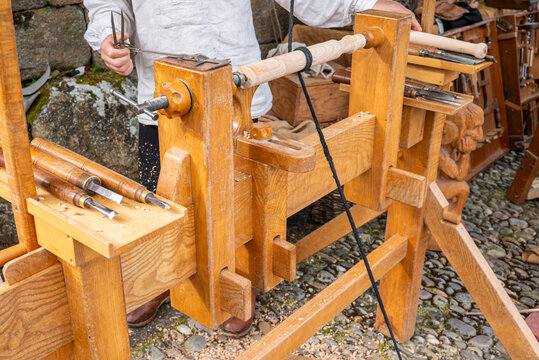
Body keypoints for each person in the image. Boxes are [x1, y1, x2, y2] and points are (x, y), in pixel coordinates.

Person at [84, 0, 421, 333]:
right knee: (162, 194)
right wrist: (109, 35)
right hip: (163, 84)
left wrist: (366, 4)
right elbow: (107, 3)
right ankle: (160, 275)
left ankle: (240, 277)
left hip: (235, 79)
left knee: (240, 197)